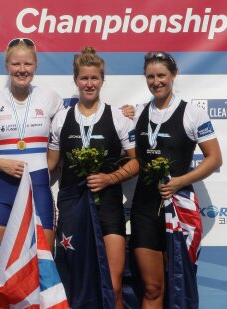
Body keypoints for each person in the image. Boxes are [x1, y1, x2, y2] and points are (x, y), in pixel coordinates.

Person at [47, 47, 138, 308]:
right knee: (75, 282)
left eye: (95, 78)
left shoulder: (119, 117)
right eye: (84, 78)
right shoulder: (61, 118)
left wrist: (110, 179)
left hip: (108, 206)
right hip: (72, 206)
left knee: (115, 284)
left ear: (102, 80)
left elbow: (136, 161)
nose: (89, 84)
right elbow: (50, 166)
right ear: (76, 80)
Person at [131, 51, 222, 308]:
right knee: (152, 288)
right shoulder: (136, 112)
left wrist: (181, 181)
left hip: (179, 207)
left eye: (161, 75)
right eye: (150, 76)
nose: (156, 81)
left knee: (179, 284)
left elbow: (214, 159)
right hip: (144, 210)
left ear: (173, 75)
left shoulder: (193, 114)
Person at [0, 38, 63, 250]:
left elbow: (71, 129)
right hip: (1, 189)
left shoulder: (51, 98)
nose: (22, 70)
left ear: (36, 66)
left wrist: (120, 112)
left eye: (27, 64)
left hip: (39, 188)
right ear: (7, 65)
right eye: (16, 64)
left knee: (44, 265)